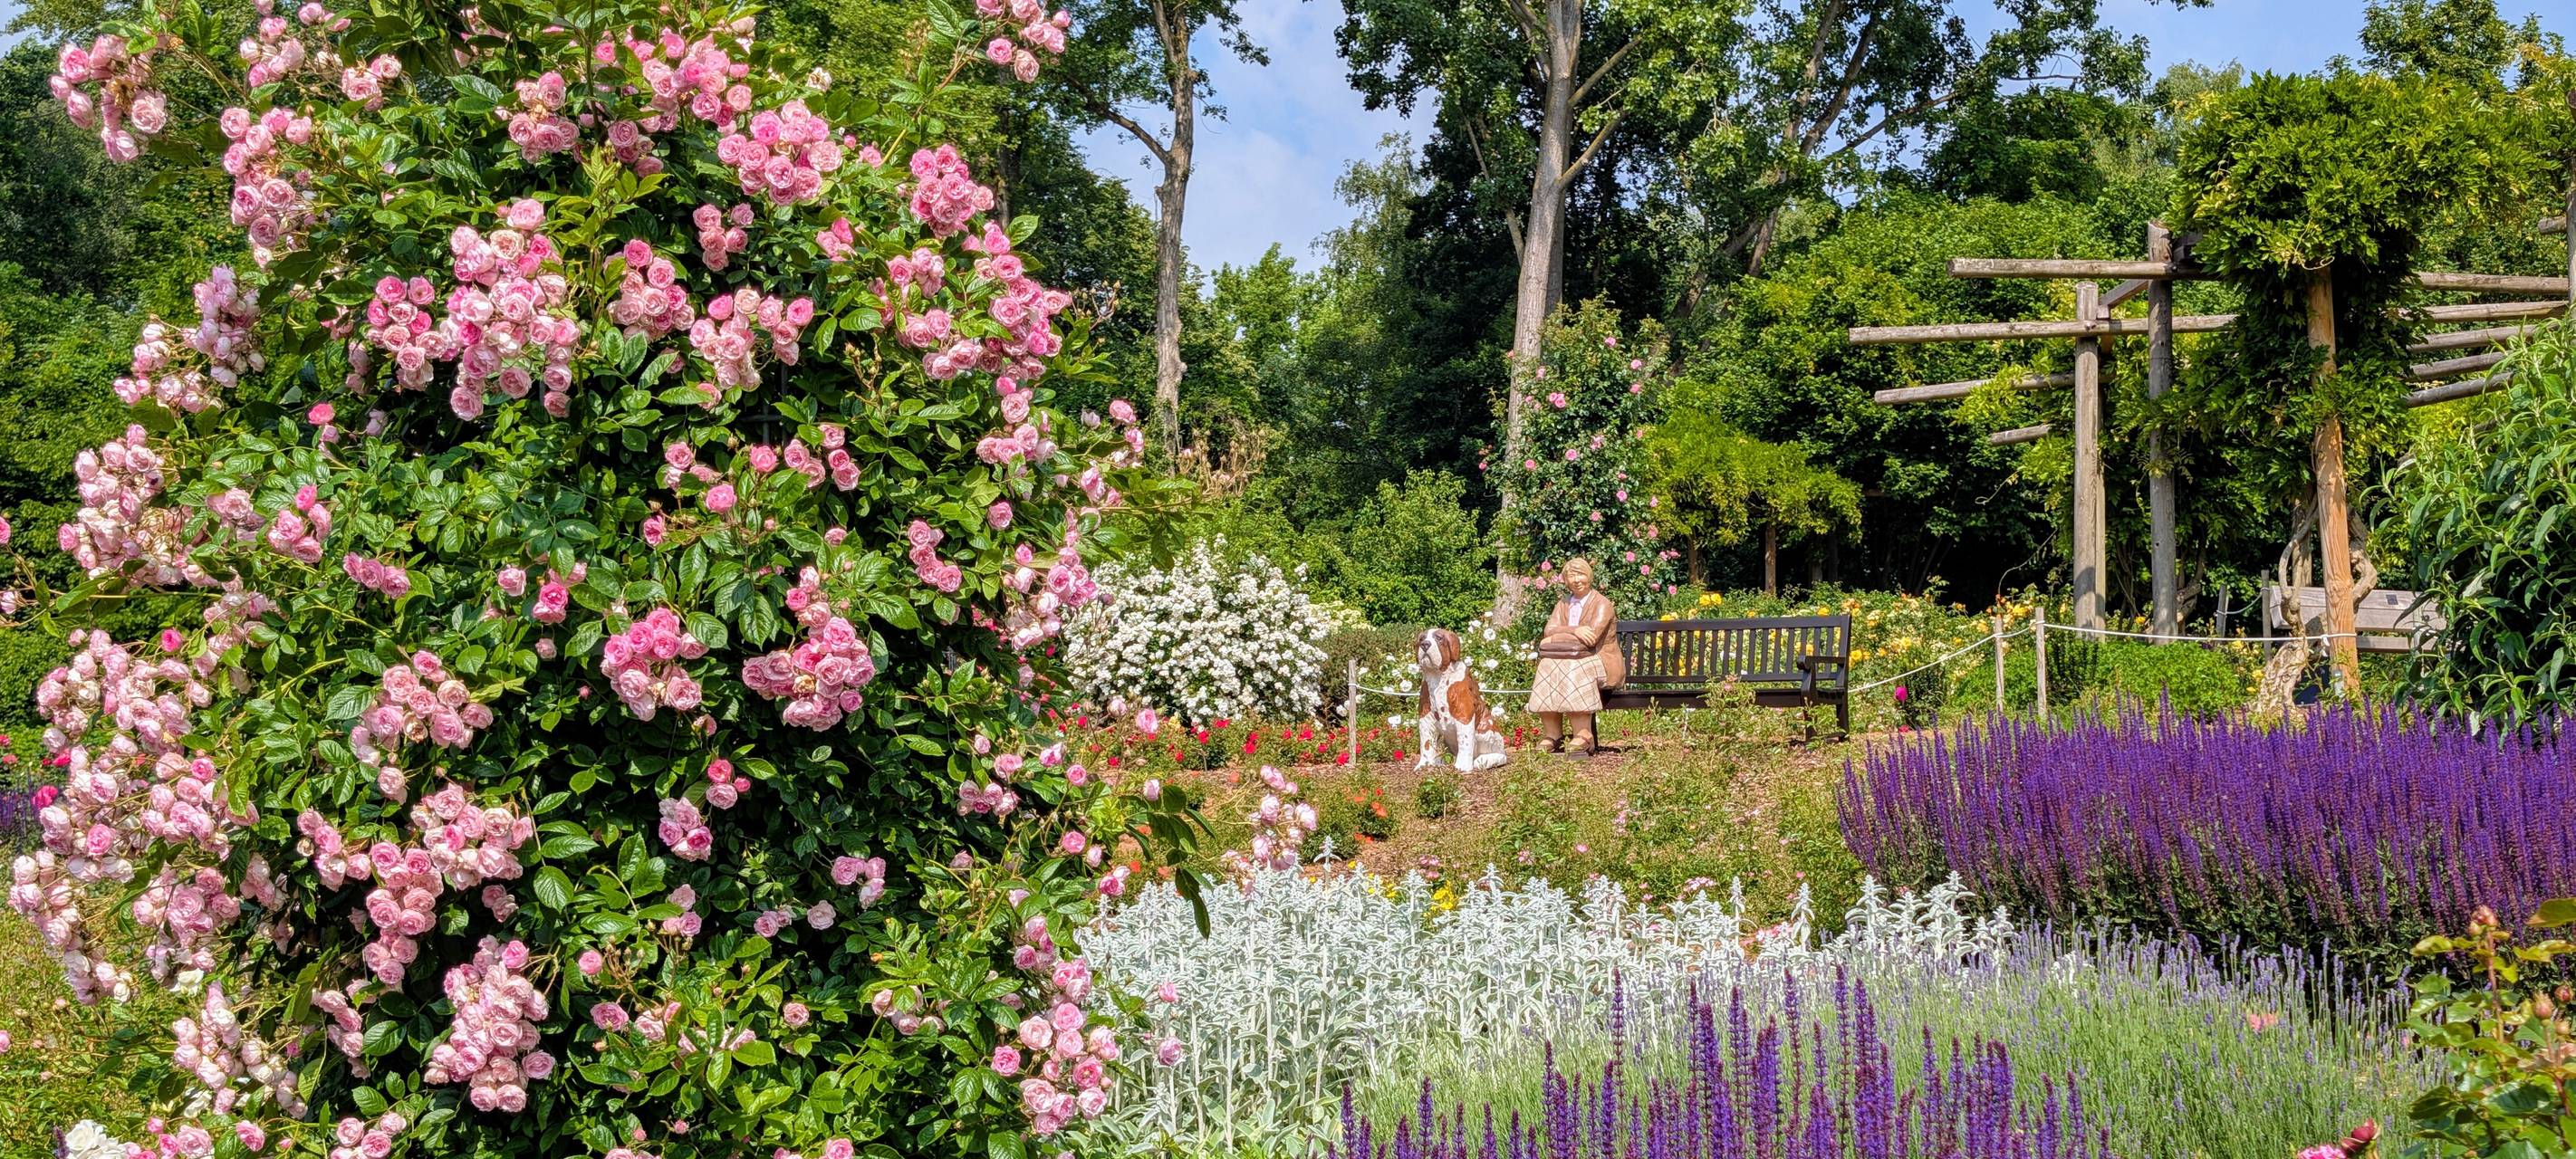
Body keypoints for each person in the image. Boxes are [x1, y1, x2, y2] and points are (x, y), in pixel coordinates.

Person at [1527, 557, 1624, 754]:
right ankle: (1553, 734)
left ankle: (1583, 734)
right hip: (1568, 658)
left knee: (1576, 668)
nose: (1576, 580)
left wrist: (1555, 638)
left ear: (1589, 576)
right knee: (1547, 666)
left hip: (1600, 660)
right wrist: (1574, 630)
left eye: (1580, 574)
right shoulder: (1563, 603)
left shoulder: (1601, 604)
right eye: (1571, 576)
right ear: (1566, 580)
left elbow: (1590, 639)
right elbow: (1549, 630)